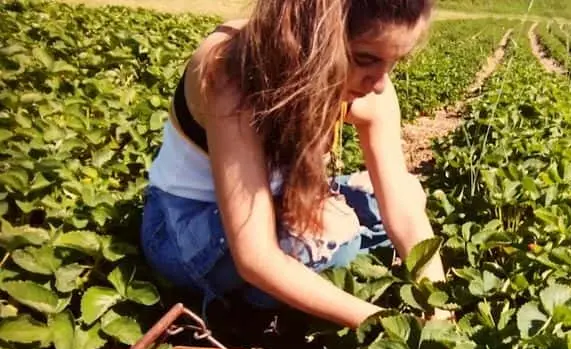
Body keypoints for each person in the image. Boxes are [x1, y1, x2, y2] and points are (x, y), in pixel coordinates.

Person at [140, 0, 447, 329]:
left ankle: (292, 286)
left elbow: (402, 209)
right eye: (365, 59)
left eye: (394, 62)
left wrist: (438, 312)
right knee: (332, 235)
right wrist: (390, 326)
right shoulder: (231, 72)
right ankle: (245, 313)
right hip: (183, 229)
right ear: (311, 40)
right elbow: (255, 256)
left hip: (264, 207)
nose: (379, 84)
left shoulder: (372, 87)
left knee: (407, 193)